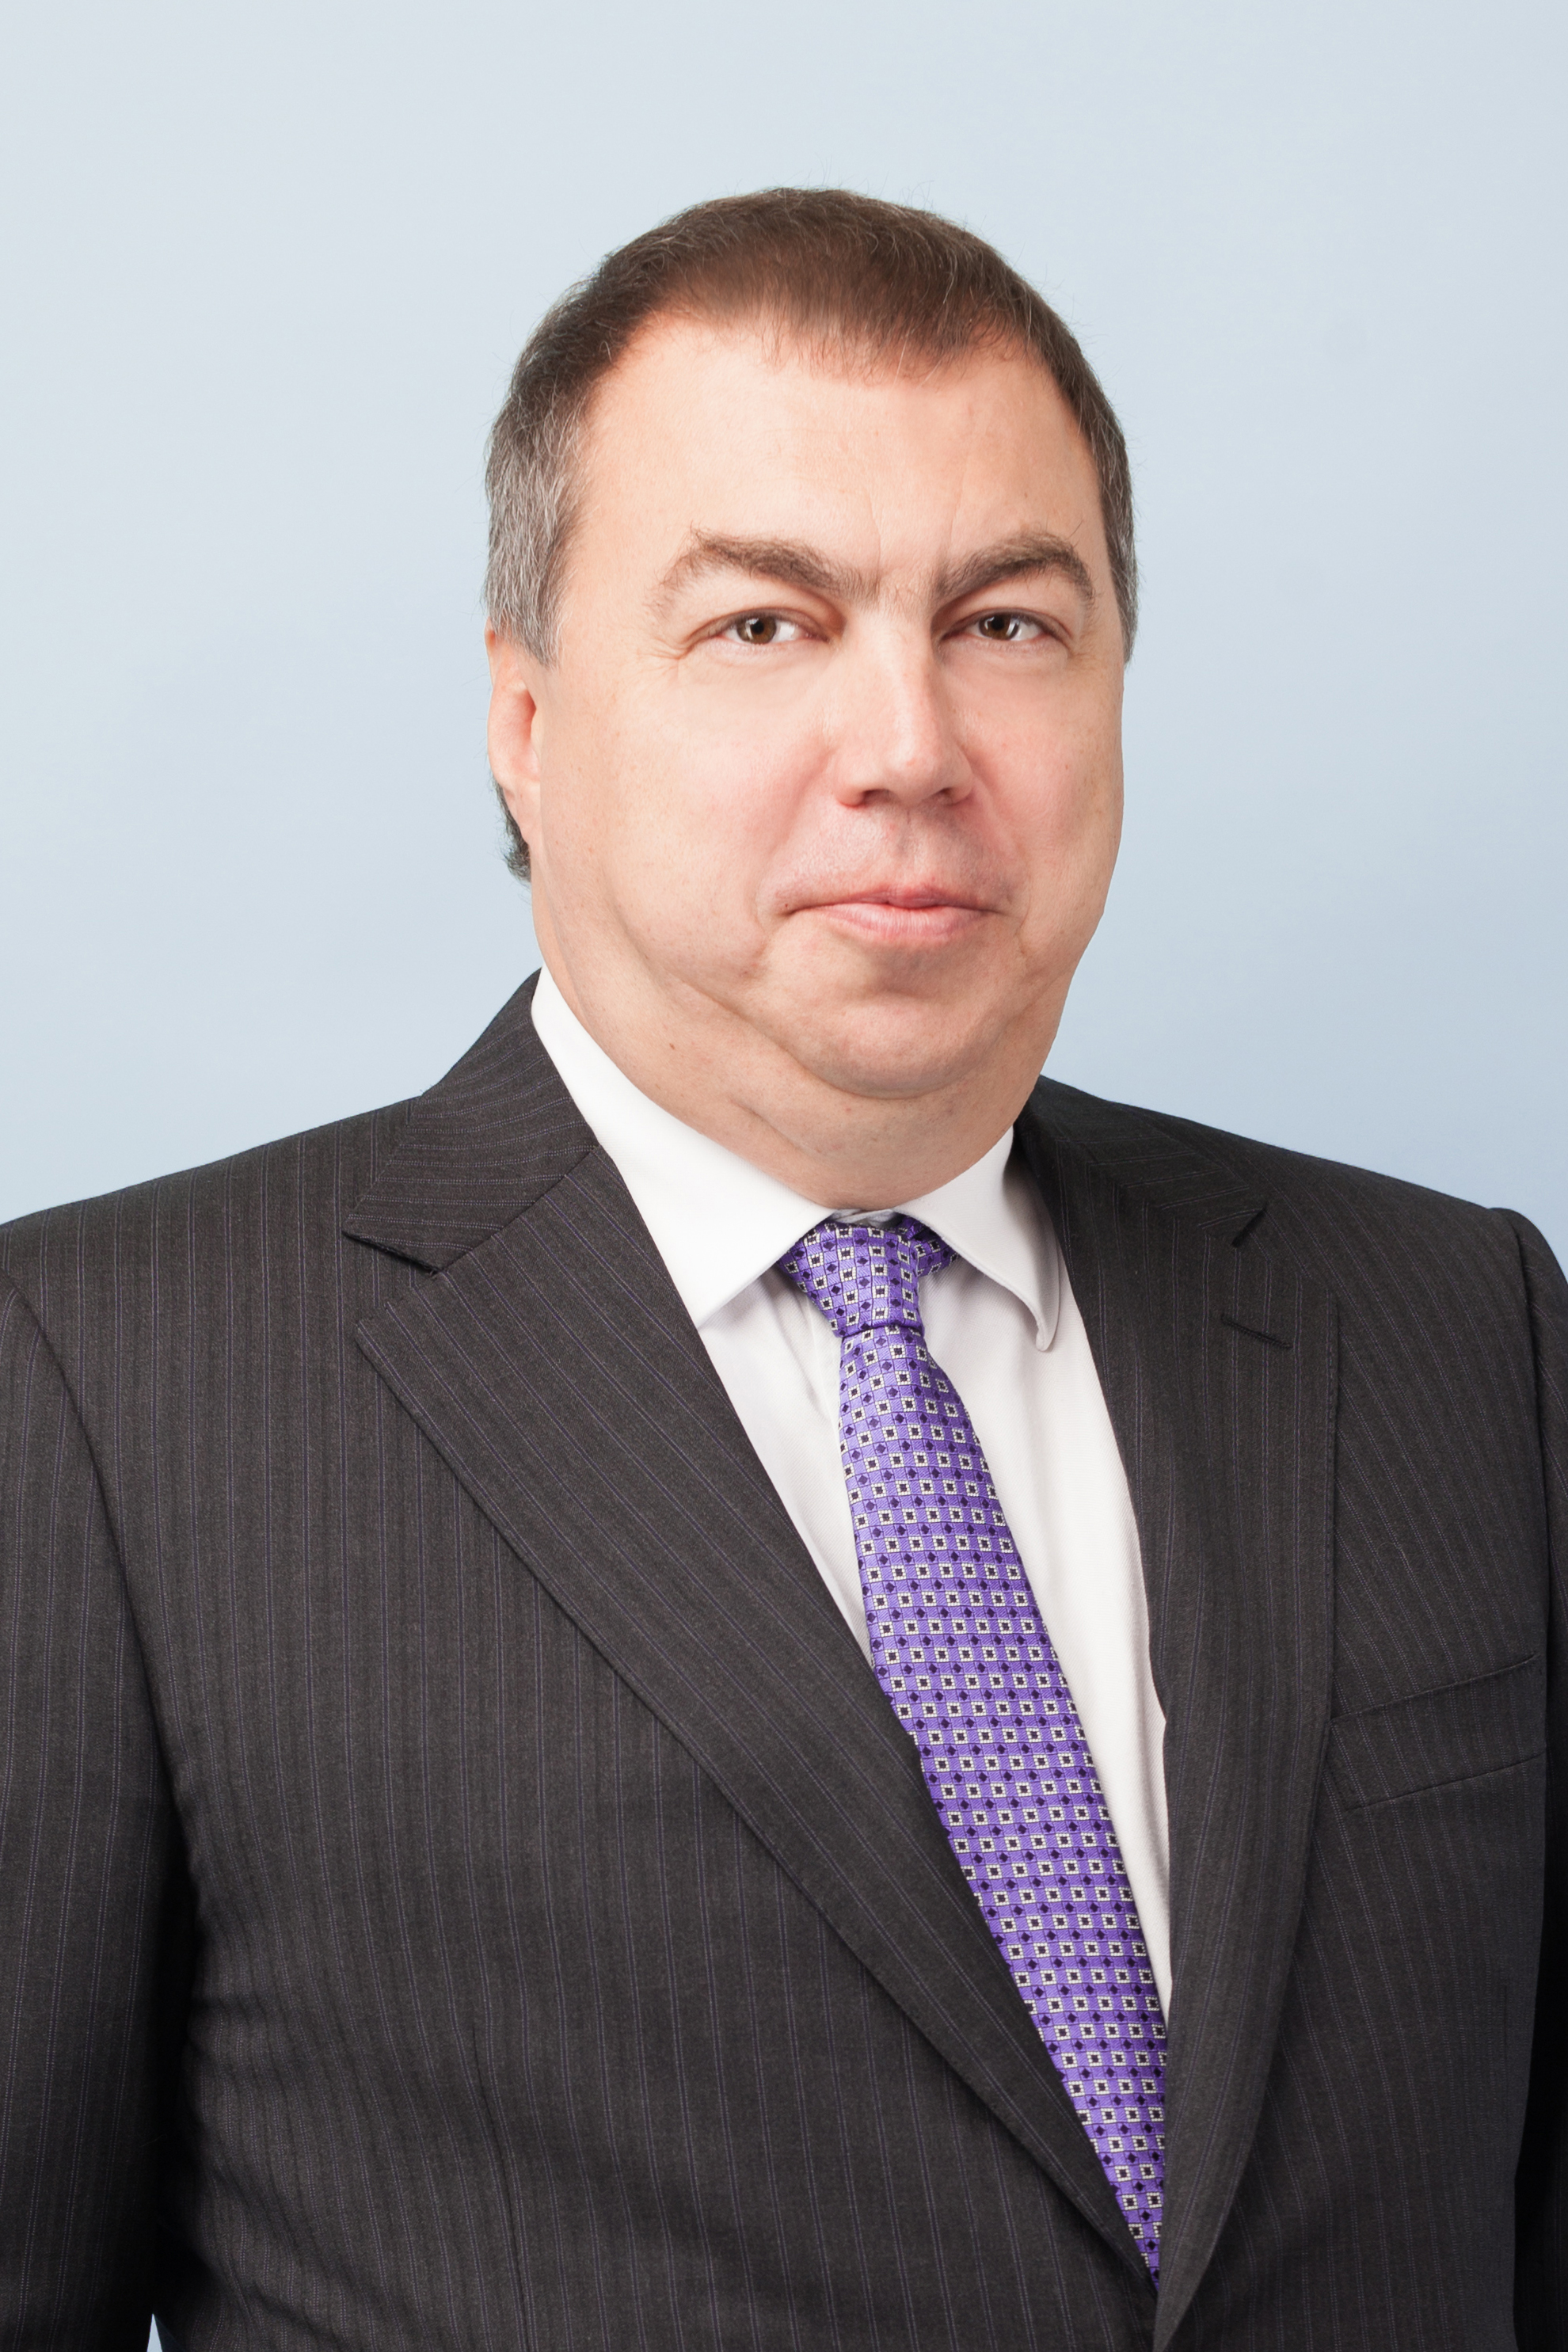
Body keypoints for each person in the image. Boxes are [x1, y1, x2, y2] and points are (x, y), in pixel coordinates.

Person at [0, 188, 1562, 2352]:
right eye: (764, 625)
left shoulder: (1461, 1331)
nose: (909, 744)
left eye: (1005, 621)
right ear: (525, 719)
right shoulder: (98, 1391)